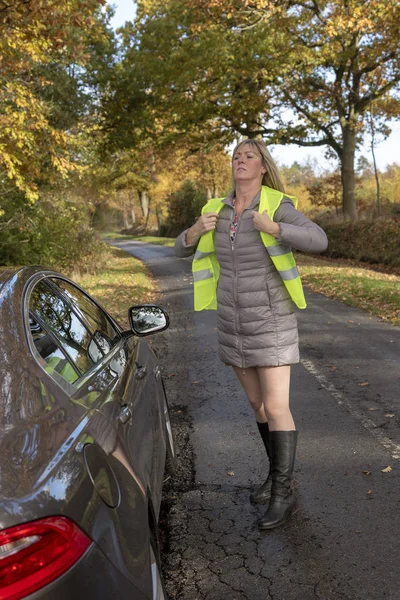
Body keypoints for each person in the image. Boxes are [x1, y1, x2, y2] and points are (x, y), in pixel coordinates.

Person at [174, 138, 328, 530]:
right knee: (258, 406)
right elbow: (180, 248)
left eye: (249, 156)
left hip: (272, 319)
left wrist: (274, 227)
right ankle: (278, 478)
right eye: (236, 156)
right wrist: (193, 232)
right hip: (232, 322)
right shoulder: (216, 209)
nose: (241, 161)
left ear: (262, 167)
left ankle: (282, 493)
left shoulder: (277, 205)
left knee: (277, 407)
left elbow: (320, 240)